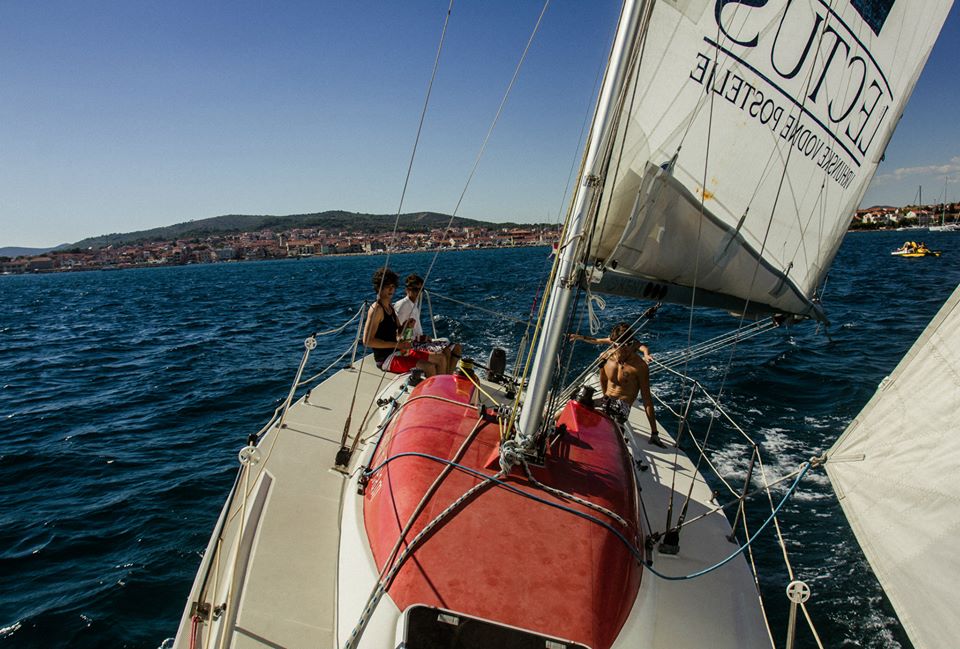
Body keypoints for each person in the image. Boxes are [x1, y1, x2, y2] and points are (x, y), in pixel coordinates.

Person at [575, 323, 664, 447]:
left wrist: (654, 432)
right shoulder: (605, 357)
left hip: (621, 406)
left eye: (625, 346)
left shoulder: (639, 366)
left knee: (603, 427)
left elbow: (647, 399)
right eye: (617, 345)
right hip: (605, 400)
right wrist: (604, 398)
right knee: (576, 404)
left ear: (631, 344)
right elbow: (603, 380)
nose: (620, 349)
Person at [363, 267, 442, 376]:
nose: (391, 289)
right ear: (379, 287)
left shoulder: (390, 308)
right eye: (387, 286)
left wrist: (407, 326)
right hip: (386, 360)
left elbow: (400, 333)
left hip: (398, 352)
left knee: (439, 358)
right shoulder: (377, 309)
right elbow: (367, 341)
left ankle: (443, 389)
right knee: (429, 366)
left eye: (393, 286)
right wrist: (397, 345)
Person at [393, 273, 461, 372]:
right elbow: (399, 334)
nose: (418, 293)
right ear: (407, 290)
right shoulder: (403, 306)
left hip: (420, 342)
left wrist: (423, 337)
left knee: (456, 348)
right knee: (445, 352)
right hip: (412, 345)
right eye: (415, 290)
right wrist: (420, 338)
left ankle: (447, 377)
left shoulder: (413, 303)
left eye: (421, 290)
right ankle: (443, 379)